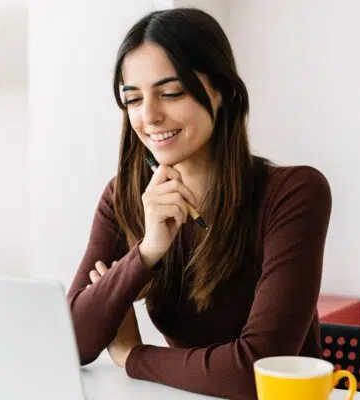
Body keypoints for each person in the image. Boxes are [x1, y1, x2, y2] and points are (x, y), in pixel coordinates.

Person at [66, 7, 332, 400]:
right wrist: (146, 252)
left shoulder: (294, 193)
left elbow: (255, 373)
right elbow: (71, 342)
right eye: (133, 99)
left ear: (222, 90)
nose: (150, 116)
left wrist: (131, 355)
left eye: (170, 93)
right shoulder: (123, 196)